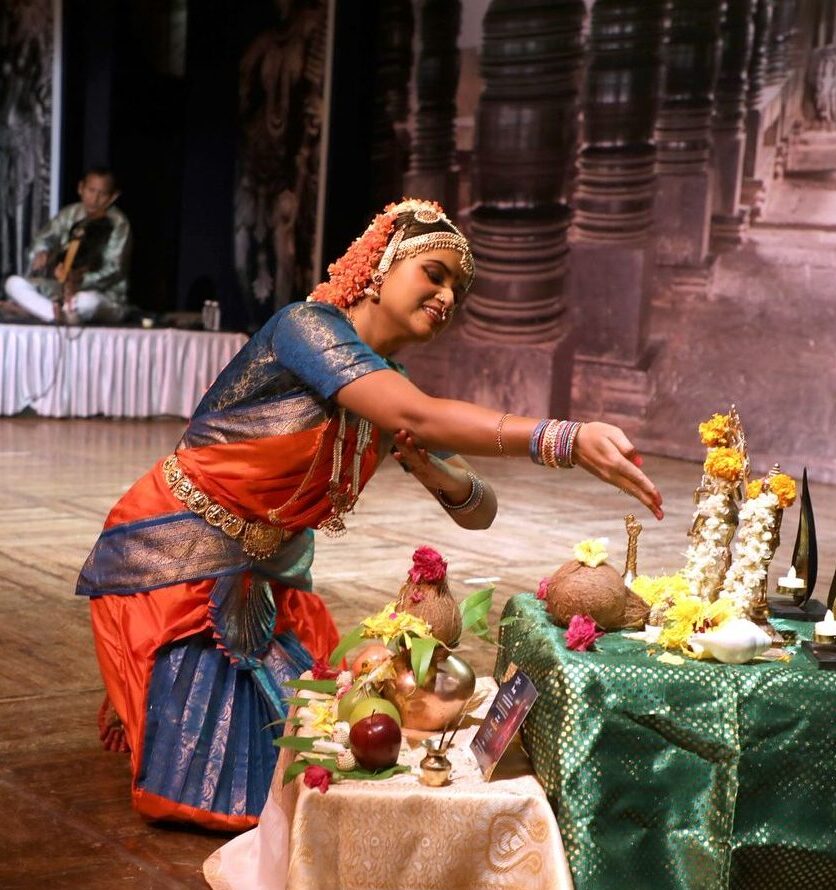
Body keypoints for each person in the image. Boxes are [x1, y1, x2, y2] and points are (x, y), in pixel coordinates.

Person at [75, 198, 663, 831]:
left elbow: (480, 511)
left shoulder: (387, 386)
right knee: (229, 789)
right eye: (434, 274)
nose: (447, 297)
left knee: (320, 758)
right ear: (380, 266)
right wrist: (565, 438)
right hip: (170, 556)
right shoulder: (306, 328)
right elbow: (417, 414)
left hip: (262, 581)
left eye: (457, 291)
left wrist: (438, 473)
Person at [4, 167, 131, 324]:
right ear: (81, 188)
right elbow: (44, 239)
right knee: (13, 283)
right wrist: (42, 251)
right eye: (91, 191)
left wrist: (78, 280)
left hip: (102, 295)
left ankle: (41, 311)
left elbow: (114, 269)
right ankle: (54, 314)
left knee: (87, 302)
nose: (95, 199)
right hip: (60, 291)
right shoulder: (69, 214)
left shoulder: (119, 223)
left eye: (102, 194)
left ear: (113, 196)